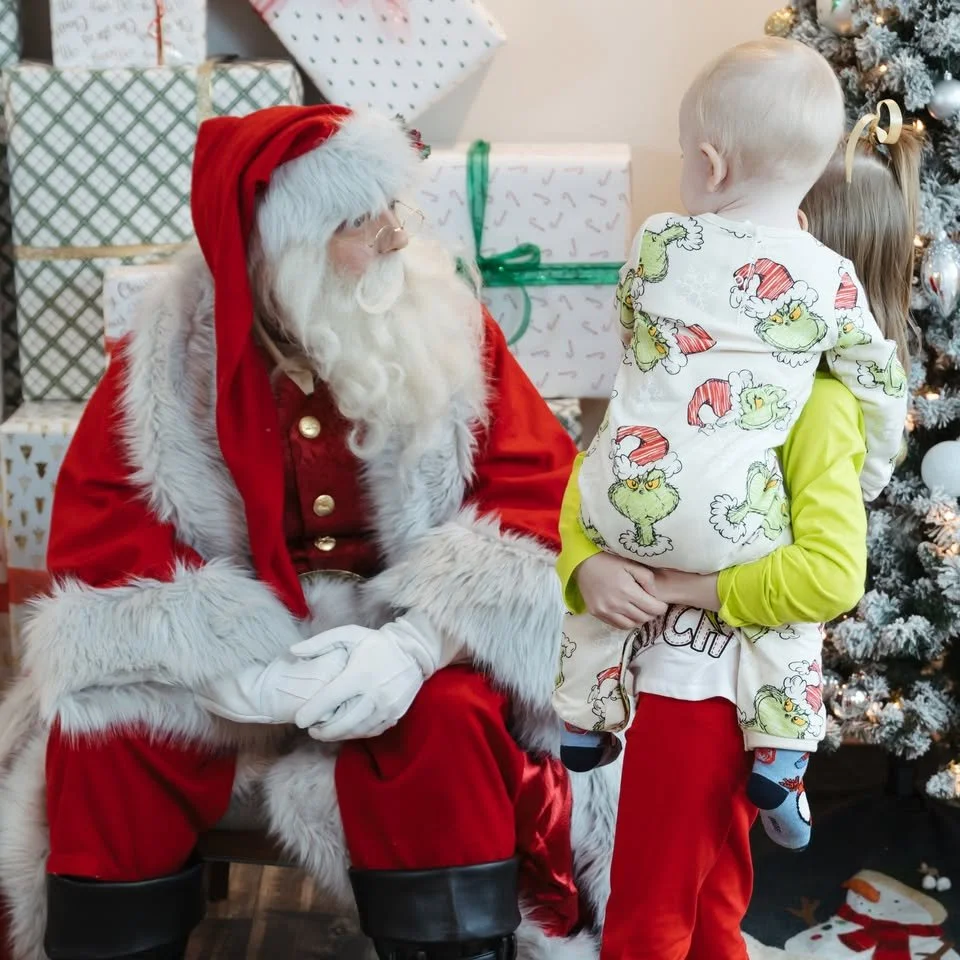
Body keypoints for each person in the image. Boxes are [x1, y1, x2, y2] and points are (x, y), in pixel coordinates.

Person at [0, 105, 618, 960]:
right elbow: (106, 546)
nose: (399, 238)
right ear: (280, 253)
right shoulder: (169, 360)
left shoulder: (446, 328)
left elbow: (540, 503)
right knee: (105, 742)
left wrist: (417, 645)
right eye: (363, 223)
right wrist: (228, 668)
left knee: (451, 725)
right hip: (237, 661)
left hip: (393, 645)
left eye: (394, 209)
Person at [555, 107, 922, 960]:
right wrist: (585, 565)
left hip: (707, 694)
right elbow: (601, 472)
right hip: (665, 674)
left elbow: (830, 576)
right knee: (713, 892)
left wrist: (689, 589)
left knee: (651, 904)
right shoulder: (690, 377)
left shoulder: (819, 407)